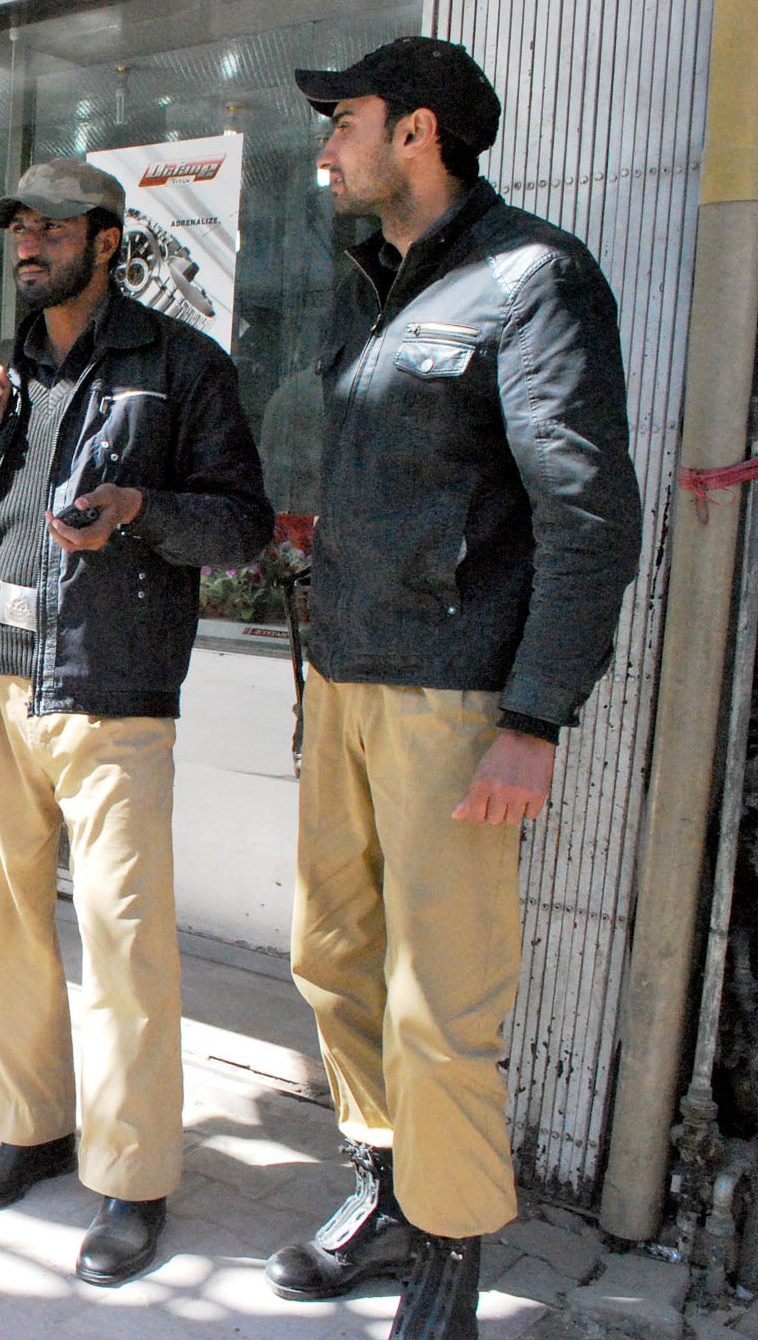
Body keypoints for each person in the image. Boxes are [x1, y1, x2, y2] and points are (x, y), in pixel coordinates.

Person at [266, 39, 643, 1337]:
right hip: (349, 682)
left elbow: (587, 518)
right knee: (331, 961)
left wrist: (533, 717)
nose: (327, 150)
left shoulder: (532, 280)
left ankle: (450, 1256)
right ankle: (388, 1191)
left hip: (455, 702)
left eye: (345, 123)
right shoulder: (372, 289)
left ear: (417, 131)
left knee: (443, 1001)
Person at [0, 159, 272, 1287]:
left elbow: (241, 525)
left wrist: (139, 512)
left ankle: (132, 1175)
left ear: (105, 241)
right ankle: (31, 1125)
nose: (26, 243)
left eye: (49, 226)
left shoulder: (178, 366)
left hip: (108, 688)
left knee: (122, 945)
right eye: (16, 226)